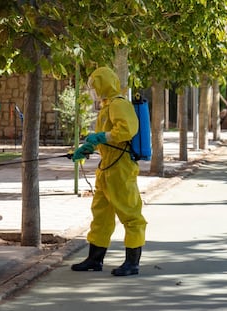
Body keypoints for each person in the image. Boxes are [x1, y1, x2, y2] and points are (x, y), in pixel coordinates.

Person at [71, 66, 147, 276]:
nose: (94, 91)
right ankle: (95, 259)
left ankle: (132, 263)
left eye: (95, 86)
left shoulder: (119, 104)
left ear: (105, 84)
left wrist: (101, 138)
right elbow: (103, 136)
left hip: (121, 168)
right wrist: (86, 149)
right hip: (106, 168)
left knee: (130, 215)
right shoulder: (106, 107)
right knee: (101, 215)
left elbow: (126, 130)